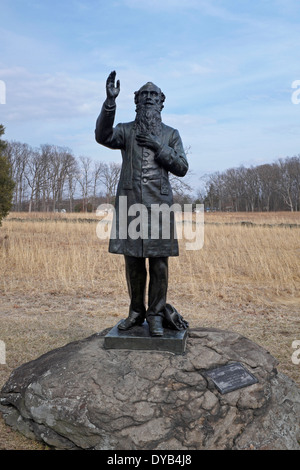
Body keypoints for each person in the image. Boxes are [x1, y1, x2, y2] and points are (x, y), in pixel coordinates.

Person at [95, 71, 188, 336]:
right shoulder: (125, 131)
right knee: (133, 262)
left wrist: (160, 147)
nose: (149, 99)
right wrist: (109, 103)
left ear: (162, 102)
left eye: (154, 95)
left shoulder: (170, 134)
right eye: (144, 95)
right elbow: (102, 136)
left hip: (159, 207)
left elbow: (182, 167)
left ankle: (156, 315)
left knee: (159, 264)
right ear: (136, 101)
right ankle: (136, 312)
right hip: (130, 205)